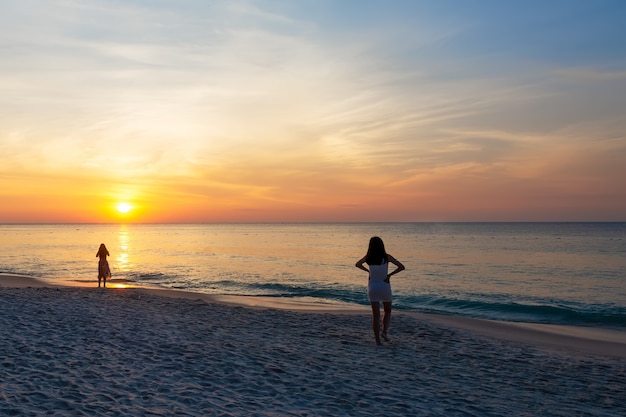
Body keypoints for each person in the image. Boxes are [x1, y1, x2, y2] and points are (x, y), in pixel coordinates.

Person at [356, 236, 405, 345]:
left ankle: (378, 341)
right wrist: (390, 275)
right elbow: (401, 267)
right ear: (382, 245)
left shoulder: (368, 258)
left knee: (375, 315)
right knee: (387, 310)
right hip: (384, 286)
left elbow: (357, 264)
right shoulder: (386, 257)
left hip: (372, 287)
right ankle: (384, 332)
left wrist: (368, 271)